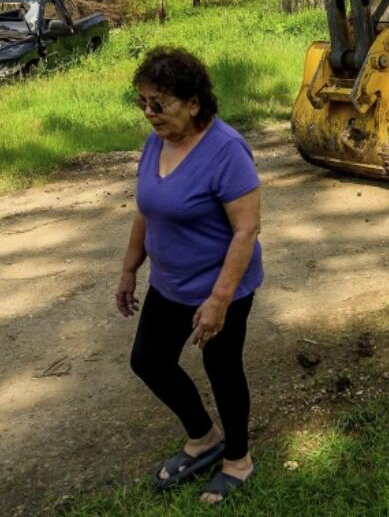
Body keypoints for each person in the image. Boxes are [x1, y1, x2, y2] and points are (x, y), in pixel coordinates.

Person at [115, 47, 263, 505]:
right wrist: (128, 269)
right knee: (149, 361)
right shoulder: (157, 141)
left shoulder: (226, 150)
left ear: (193, 102)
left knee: (222, 368)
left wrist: (219, 300)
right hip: (169, 283)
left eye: (159, 103)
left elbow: (246, 229)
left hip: (220, 287)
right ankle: (203, 436)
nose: (149, 113)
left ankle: (237, 459)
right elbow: (148, 207)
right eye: (143, 102)